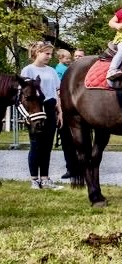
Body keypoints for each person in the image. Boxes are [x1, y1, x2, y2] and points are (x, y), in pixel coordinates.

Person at [21, 41, 63, 190]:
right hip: (36, 111)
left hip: (51, 109)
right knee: (36, 145)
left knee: (47, 146)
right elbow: (24, 95)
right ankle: (34, 179)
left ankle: (45, 179)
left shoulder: (51, 71)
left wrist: (60, 112)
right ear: (37, 52)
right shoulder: (28, 70)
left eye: (51, 54)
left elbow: (57, 92)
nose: (49, 57)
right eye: (47, 53)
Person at [53, 49, 72, 179]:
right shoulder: (59, 70)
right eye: (67, 58)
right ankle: (70, 167)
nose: (69, 60)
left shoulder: (68, 68)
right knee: (66, 139)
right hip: (64, 105)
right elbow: (59, 87)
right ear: (60, 58)